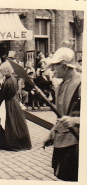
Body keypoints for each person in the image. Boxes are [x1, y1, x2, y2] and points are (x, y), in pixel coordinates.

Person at [43, 47, 81, 181]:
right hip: (62, 143)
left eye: (55, 66)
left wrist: (75, 121)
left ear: (65, 66)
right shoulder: (61, 86)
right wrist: (52, 133)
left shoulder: (81, 84)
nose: (52, 70)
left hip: (76, 144)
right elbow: (61, 115)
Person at [0, 61, 32, 151]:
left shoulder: (7, 82)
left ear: (5, 70)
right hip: (13, 102)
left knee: (4, 123)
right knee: (13, 123)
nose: (1, 72)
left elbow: (1, 96)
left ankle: (1, 143)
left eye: (2, 70)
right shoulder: (13, 79)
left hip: (7, 103)